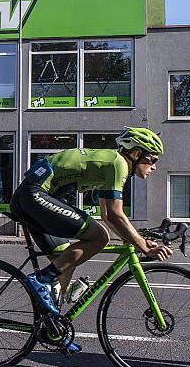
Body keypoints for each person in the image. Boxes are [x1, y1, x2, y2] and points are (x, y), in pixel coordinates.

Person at [10, 127, 172, 353]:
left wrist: (137, 238)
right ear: (136, 154)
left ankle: (54, 330)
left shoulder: (114, 165)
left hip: (32, 196)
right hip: (35, 194)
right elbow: (115, 216)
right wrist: (142, 245)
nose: (154, 166)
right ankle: (40, 279)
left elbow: (108, 216)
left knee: (65, 260)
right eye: (152, 158)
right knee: (99, 237)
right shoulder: (118, 163)